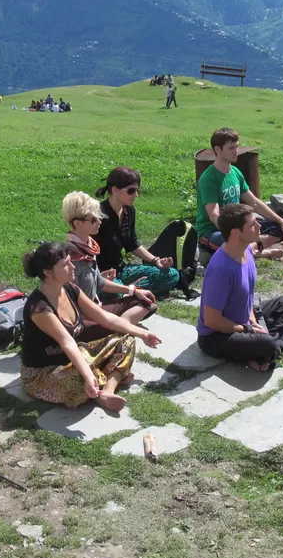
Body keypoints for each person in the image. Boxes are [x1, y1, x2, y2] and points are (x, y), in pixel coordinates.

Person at [20, 243, 162, 412]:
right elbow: (67, 343)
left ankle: (107, 390)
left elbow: (105, 317)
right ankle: (108, 376)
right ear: (47, 272)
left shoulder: (70, 288)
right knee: (81, 378)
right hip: (43, 374)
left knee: (126, 339)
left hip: (73, 357)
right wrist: (88, 375)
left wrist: (142, 333)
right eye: (66, 264)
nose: (73, 266)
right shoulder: (40, 308)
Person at [197, 205, 283, 371]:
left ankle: (267, 348)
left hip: (243, 321)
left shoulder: (246, 250)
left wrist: (252, 320)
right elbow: (212, 320)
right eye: (253, 224)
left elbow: (248, 298)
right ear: (235, 233)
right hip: (216, 337)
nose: (259, 226)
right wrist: (247, 329)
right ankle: (274, 344)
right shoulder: (222, 269)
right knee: (267, 344)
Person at [62, 191, 157, 341]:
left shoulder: (88, 247)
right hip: (82, 319)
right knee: (116, 321)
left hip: (98, 310)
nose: (99, 222)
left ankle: (117, 330)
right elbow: (71, 304)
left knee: (146, 300)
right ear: (77, 223)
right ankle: (118, 330)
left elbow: (99, 282)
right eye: (93, 219)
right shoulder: (70, 258)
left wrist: (133, 290)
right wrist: (105, 317)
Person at [93, 166, 198, 299]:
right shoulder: (97, 216)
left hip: (122, 270)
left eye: (137, 190)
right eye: (131, 191)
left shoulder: (129, 211)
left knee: (172, 275)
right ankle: (129, 291)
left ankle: (131, 291)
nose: (136, 195)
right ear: (114, 190)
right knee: (113, 293)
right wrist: (98, 277)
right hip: (103, 275)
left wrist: (156, 261)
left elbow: (132, 243)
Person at [196, 128, 283, 259]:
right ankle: (259, 252)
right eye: (231, 148)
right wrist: (235, 235)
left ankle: (248, 249)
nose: (236, 151)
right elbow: (214, 216)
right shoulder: (209, 179)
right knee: (229, 244)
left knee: (277, 229)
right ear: (218, 150)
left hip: (239, 226)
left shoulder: (235, 172)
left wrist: (282, 223)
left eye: (237, 146)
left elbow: (254, 202)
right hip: (212, 230)